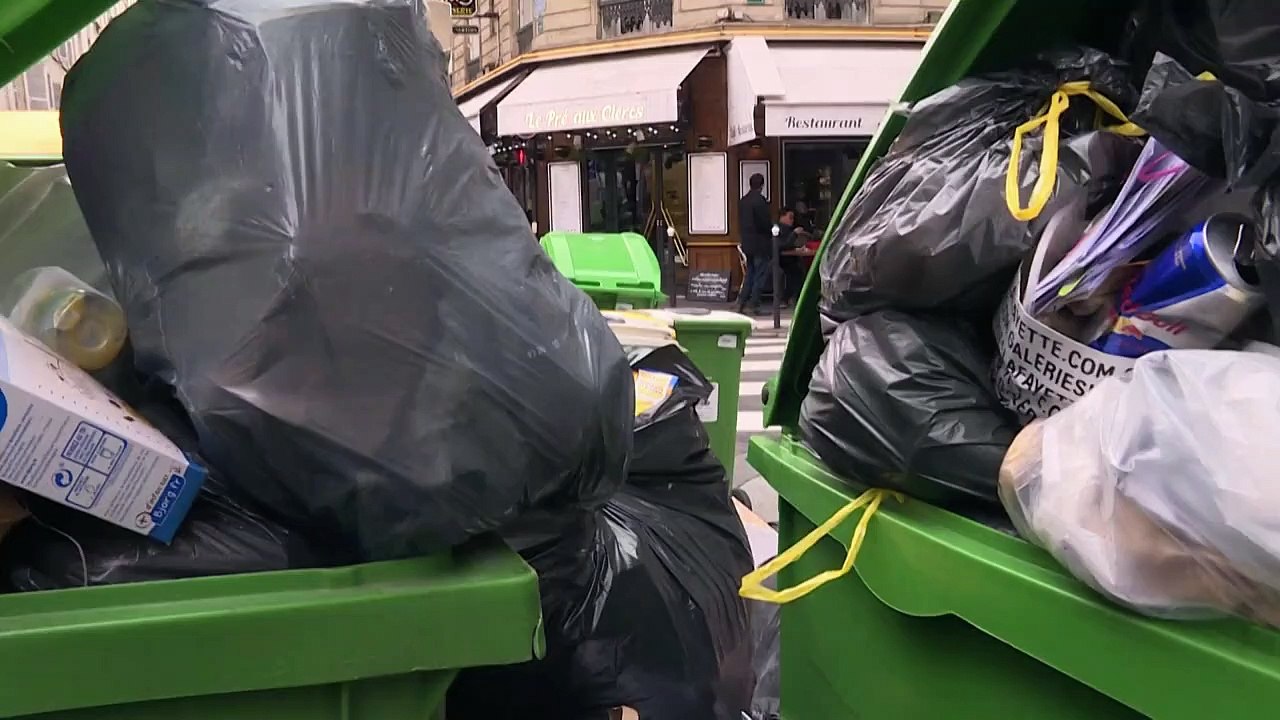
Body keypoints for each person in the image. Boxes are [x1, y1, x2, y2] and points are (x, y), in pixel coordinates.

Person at [737, 173, 773, 315]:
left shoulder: (743, 201)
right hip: (760, 243)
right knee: (760, 274)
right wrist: (772, 231)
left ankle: (742, 301)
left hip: (747, 242)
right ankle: (754, 303)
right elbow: (764, 223)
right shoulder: (760, 201)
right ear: (762, 185)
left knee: (750, 273)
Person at [776, 207, 809, 308]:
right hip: (780, 259)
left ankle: (792, 298)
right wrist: (794, 233)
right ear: (782, 217)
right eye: (790, 217)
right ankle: (789, 298)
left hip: (788, 258)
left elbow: (789, 245)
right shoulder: (778, 229)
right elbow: (783, 245)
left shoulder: (786, 229)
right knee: (796, 273)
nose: (792, 220)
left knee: (799, 271)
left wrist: (798, 248)